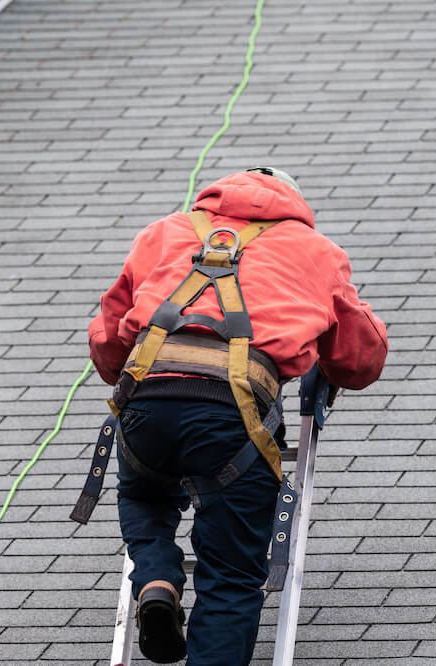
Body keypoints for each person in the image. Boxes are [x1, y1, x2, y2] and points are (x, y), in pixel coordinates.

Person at [87, 167, 388, 664]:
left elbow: (109, 339)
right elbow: (361, 359)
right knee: (230, 577)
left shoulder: (164, 231)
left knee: (143, 492)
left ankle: (157, 579)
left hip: (146, 401)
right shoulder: (315, 251)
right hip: (233, 417)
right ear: (291, 201)